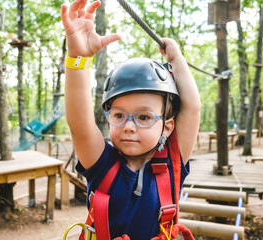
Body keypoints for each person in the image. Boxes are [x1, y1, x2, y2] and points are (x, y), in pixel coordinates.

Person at [61, 0, 201, 239]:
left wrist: (177, 59)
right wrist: (78, 58)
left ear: (166, 127)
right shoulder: (102, 165)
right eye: (119, 115)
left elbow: (192, 109)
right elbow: (80, 125)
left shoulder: (171, 163)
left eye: (144, 117)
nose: (128, 126)